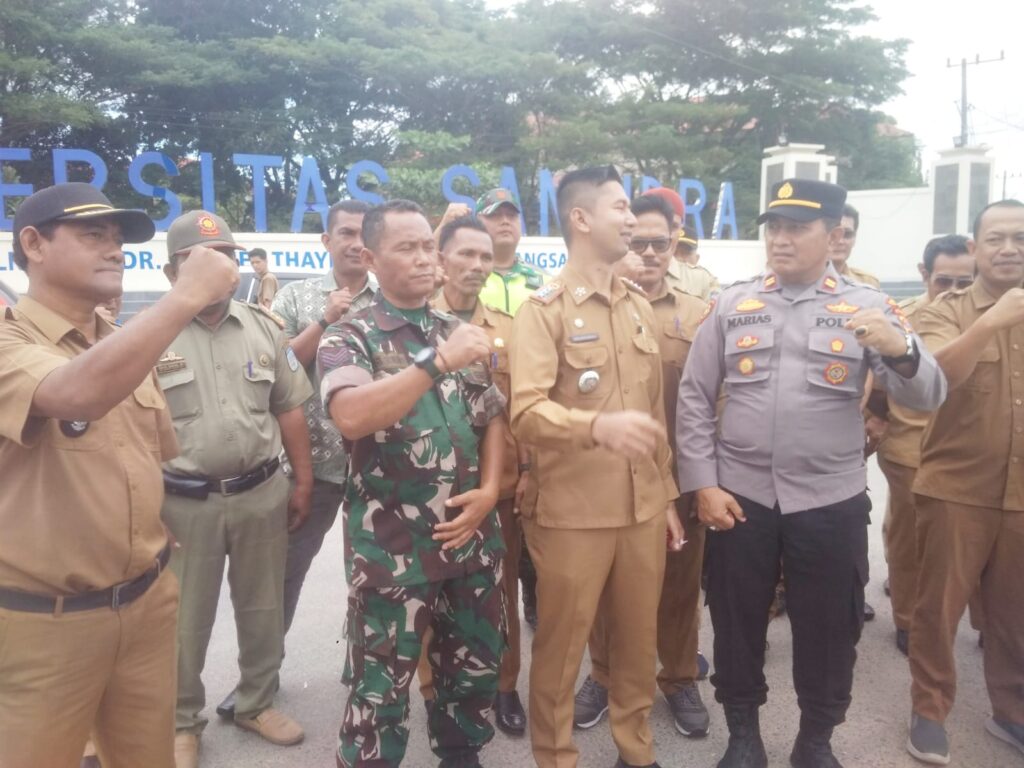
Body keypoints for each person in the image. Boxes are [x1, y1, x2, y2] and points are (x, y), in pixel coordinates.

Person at [677, 178, 946, 768]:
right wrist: (703, 484)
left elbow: (928, 395)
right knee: (736, 621)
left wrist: (900, 349)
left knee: (830, 628)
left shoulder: (869, 306)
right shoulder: (733, 302)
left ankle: (816, 739)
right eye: (774, 226)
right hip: (741, 496)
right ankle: (743, 735)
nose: (781, 238)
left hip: (829, 498)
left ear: (833, 235)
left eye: (797, 228)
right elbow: (694, 396)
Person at [0, 182, 238, 768]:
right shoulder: (10, 338)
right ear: (33, 244)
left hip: (145, 604)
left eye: (118, 239)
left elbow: (149, 453)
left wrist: (144, 526)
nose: (114, 250)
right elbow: (75, 393)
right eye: (93, 235)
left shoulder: (122, 344)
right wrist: (185, 296)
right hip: (45, 624)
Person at [318, 199, 507, 768]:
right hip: (392, 552)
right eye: (407, 247)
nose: (425, 258)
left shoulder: (457, 331)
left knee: (473, 670)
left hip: (470, 540)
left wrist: (491, 490)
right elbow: (351, 415)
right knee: (381, 686)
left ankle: (461, 754)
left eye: (429, 245)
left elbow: (492, 417)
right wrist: (435, 362)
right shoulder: (349, 335)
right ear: (371, 258)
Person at [510, 166, 685, 768]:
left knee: (637, 643)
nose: (632, 219)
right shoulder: (543, 310)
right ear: (581, 219)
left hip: (641, 509)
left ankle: (635, 751)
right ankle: (556, 755)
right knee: (562, 651)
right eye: (619, 208)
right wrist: (594, 427)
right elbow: (525, 413)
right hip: (573, 514)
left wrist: (666, 496)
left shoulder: (637, 307)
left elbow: (654, 413)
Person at [157, 210, 314, 768]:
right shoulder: (151, 333)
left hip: (260, 492)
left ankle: (256, 702)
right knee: (184, 619)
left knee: (263, 605)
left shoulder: (264, 327)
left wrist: (303, 481)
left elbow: (289, 407)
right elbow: (126, 429)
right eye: (196, 257)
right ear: (171, 271)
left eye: (224, 254)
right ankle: (181, 721)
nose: (215, 265)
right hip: (181, 503)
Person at [576, 193, 711, 739]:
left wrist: (707, 478)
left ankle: (678, 678)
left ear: (675, 242)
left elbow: (716, 398)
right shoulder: (588, 306)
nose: (649, 253)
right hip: (606, 476)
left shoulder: (699, 313)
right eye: (638, 242)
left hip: (681, 474)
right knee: (606, 588)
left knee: (679, 587)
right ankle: (604, 676)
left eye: (660, 242)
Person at [905, 199, 1024, 765]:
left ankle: (1012, 711)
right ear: (975, 248)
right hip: (956, 489)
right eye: (996, 239)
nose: (1009, 249)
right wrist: (991, 322)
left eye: (1020, 239)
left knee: (1015, 612)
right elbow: (933, 380)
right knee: (938, 609)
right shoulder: (945, 310)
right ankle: (929, 710)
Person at [413, 215, 531, 735]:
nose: (478, 265)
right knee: (425, 592)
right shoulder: (413, 323)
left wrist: (525, 471)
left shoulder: (509, 327)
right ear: (441, 258)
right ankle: (433, 689)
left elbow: (521, 407)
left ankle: (503, 686)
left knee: (500, 593)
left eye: (485, 257)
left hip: (493, 490)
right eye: (466, 254)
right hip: (425, 488)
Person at [872, 235, 974, 655]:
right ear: (924, 274)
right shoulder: (901, 318)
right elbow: (878, 382)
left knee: (967, 540)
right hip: (911, 446)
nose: (953, 291)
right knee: (912, 539)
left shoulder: (989, 316)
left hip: (971, 449)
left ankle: (985, 619)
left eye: (964, 283)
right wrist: (877, 418)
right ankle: (908, 620)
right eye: (943, 281)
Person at [472, 187, 546, 631]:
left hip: (532, 407)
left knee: (532, 521)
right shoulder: (466, 276)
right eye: (494, 215)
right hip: (487, 407)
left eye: (511, 216)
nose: (504, 222)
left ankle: (534, 598)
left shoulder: (540, 282)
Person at [828, 203, 881, 288]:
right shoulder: (804, 282)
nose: (840, 241)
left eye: (847, 234)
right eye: (834, 234)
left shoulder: (868, 283)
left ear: (855, 238)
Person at [674, 225, 721, 301]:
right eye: (673, 253)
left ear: (697, 258)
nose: (679, 259)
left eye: (685, 253)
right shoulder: (657, 277)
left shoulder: (708, 281)